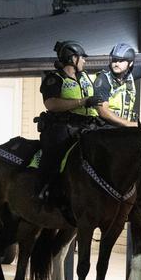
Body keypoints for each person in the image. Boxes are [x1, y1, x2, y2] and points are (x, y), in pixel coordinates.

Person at [37, 40, 103, 202]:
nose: (85, 61)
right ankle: (45, 190)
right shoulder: (54, 78)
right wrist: (82, 102)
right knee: (55, 154)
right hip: (64, 127)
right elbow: (51, 104)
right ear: (73, 59)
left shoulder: (86, 76)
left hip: (89, 125)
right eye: (82, 58)